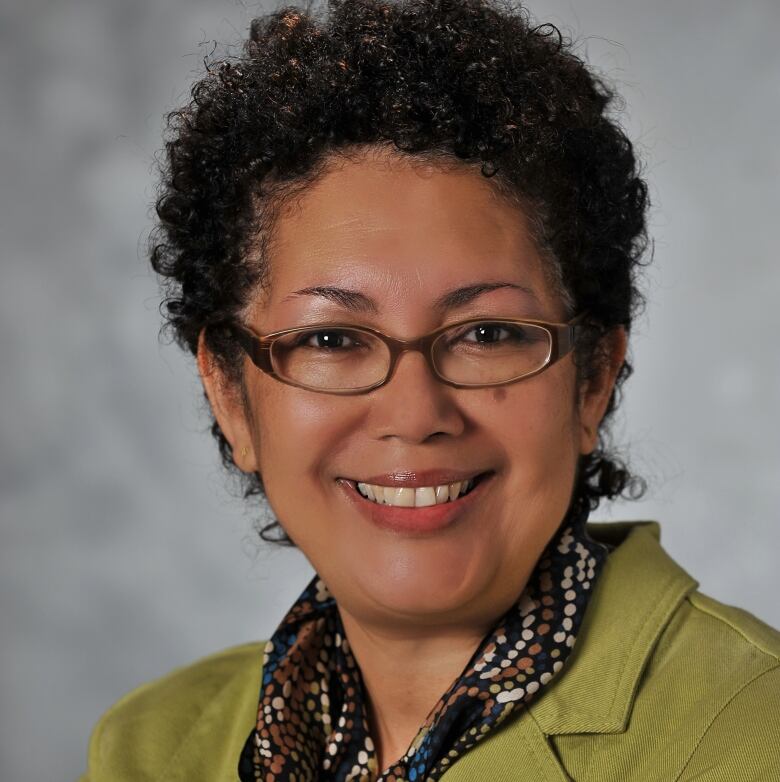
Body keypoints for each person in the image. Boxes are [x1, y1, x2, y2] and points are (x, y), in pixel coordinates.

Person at [79, 0, 780, 779]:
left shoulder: (753, 733)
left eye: (487, 334)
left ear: (592, 379)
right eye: (331, 340)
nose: (415, 416)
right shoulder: (151, 746)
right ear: (230, 394)